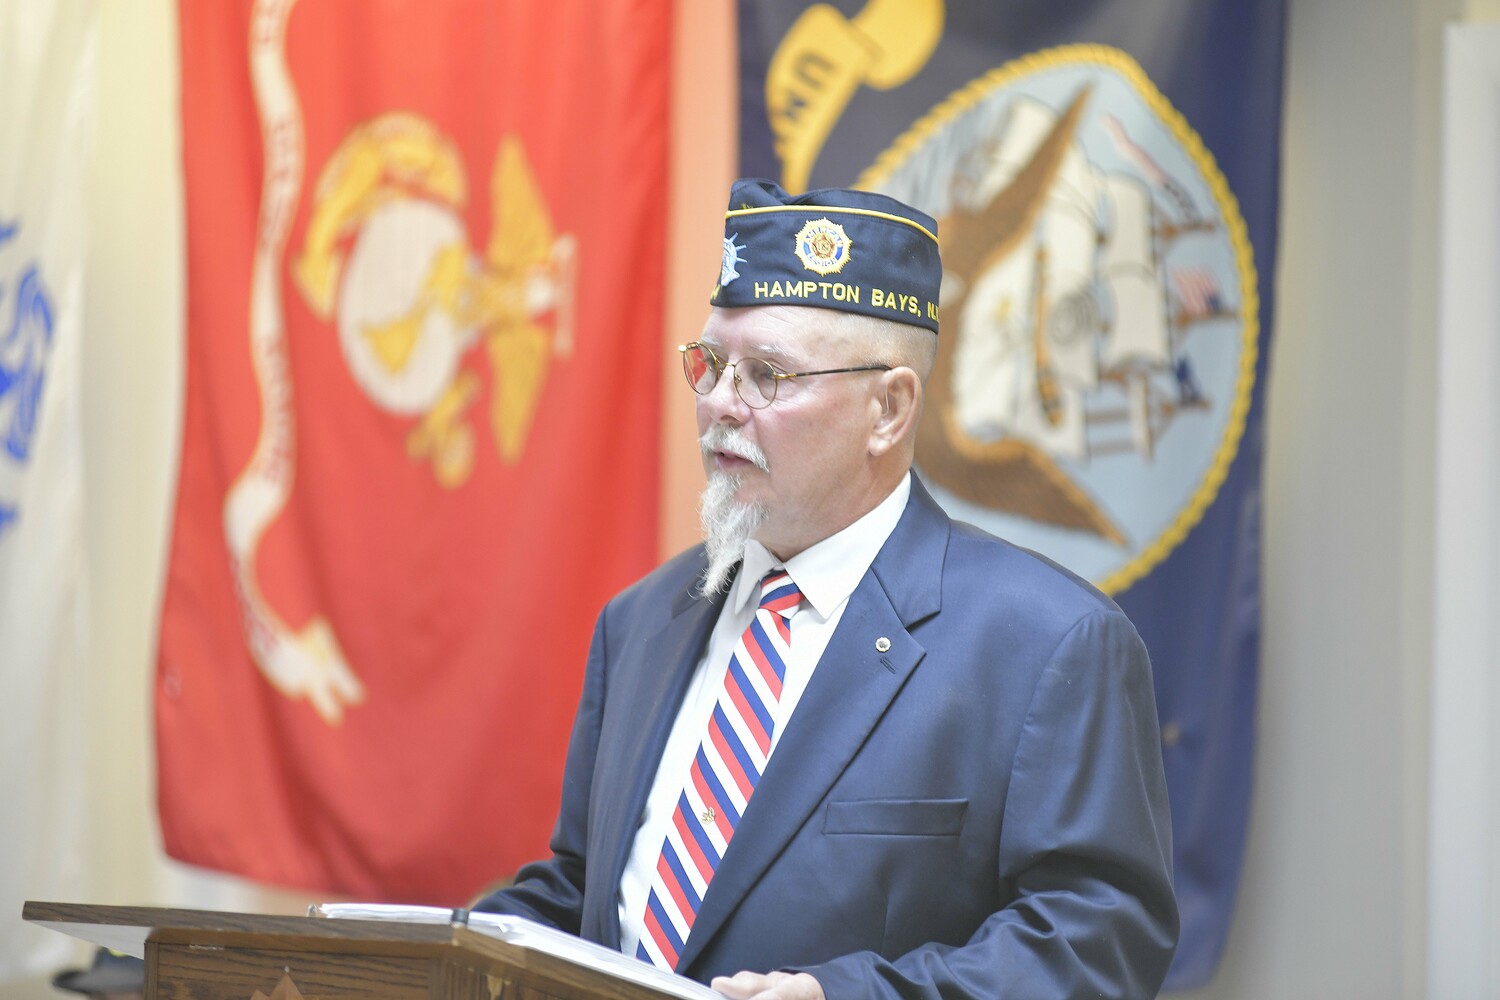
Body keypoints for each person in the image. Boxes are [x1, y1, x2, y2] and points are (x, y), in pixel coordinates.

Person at [473, 179, 1178, 999]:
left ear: (888, 408)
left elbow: (1097, 944)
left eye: (767, 375)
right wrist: (431, 949)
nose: (719, 407)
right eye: (710, 365)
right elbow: (587, 893)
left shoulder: (1043, 644)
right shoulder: (641, 624)